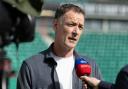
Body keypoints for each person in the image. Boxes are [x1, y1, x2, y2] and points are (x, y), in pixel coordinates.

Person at [16, 3, 102, 89]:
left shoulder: (92, 66)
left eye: (80, 27)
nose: (76, 32)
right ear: (55, 25)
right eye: (71, 24)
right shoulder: (31, 66)